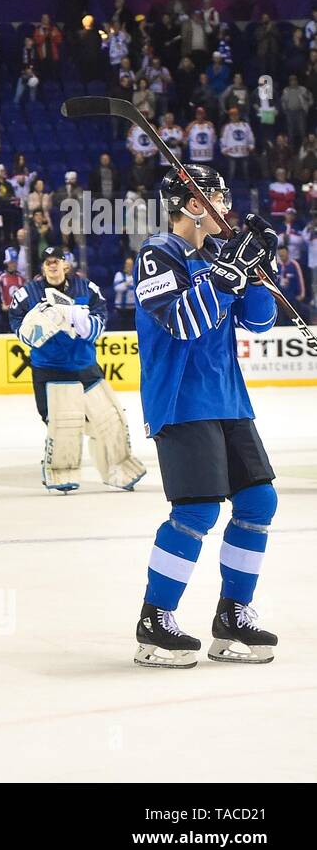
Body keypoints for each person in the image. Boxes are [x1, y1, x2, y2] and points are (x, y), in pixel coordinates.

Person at [130, 165, 281, 668]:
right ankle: (155, 620)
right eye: (217, 196)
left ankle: (233, 614)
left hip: (228, 398)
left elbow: (260, 321)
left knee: (259, 501)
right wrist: (226, 276)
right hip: (181, 399)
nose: (226, 204)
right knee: (197, 511)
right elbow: (183, 322)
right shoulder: (159, 253)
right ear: (194, 204)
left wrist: (260, 269)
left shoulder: (219, 255)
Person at [9, 246, 146, 494]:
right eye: (48, 261)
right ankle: (59, 472)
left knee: (112, 419)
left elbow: (100, 321)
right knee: (63, 424)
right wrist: (34, 328)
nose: (52, 265)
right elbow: (19, 327)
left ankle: (119, 468)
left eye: (57, 261)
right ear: (42, 267)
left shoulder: (87, 289)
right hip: (49, 370)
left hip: (85, 366)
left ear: (66, 265)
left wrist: (75, 319)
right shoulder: (26, 294)